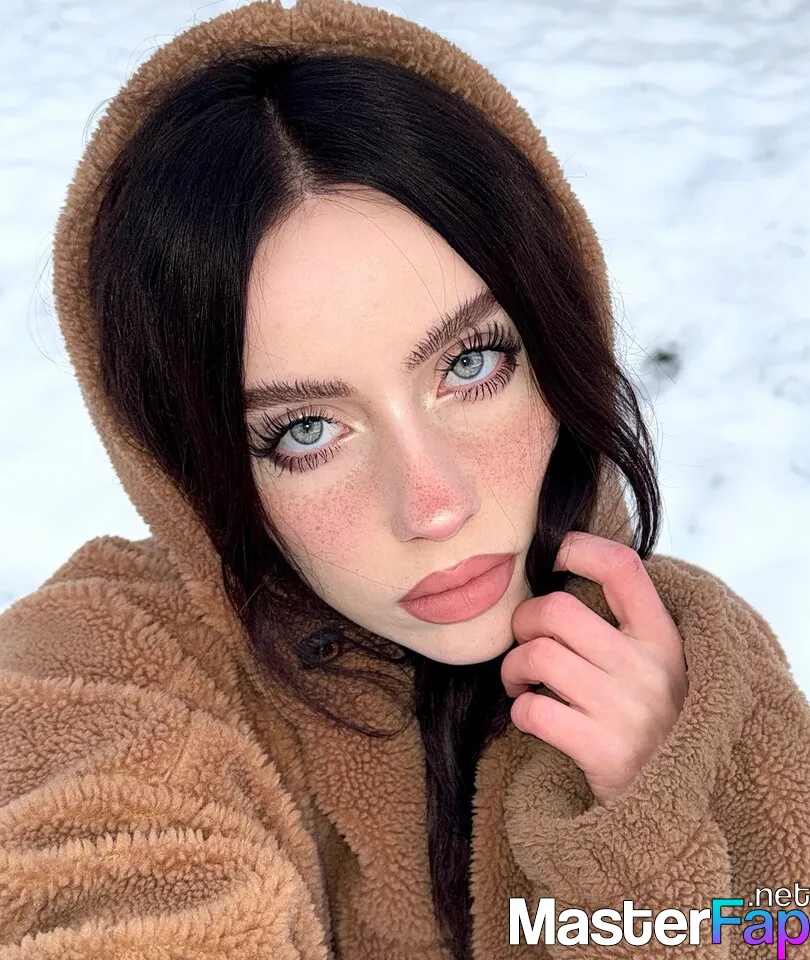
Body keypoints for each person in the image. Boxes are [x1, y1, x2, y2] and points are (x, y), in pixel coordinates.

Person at [1, 0, 809, 957]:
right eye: (306, 430)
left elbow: (784, 930)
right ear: (186, 460)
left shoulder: (697, 666)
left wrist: (649, 829)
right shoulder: (100, 672)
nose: (436, 505)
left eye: (470, 364)